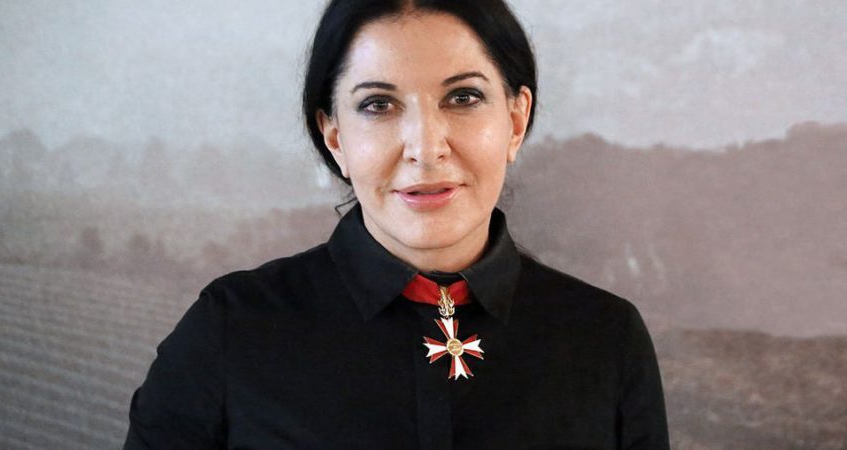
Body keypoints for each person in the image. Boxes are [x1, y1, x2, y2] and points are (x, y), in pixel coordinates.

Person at [123, 0, 670, 448]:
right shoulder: (231, 330)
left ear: (515, 120)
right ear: (335, 136)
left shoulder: (606, 339)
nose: (426, 149)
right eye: (378, 105)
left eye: (463, 97)